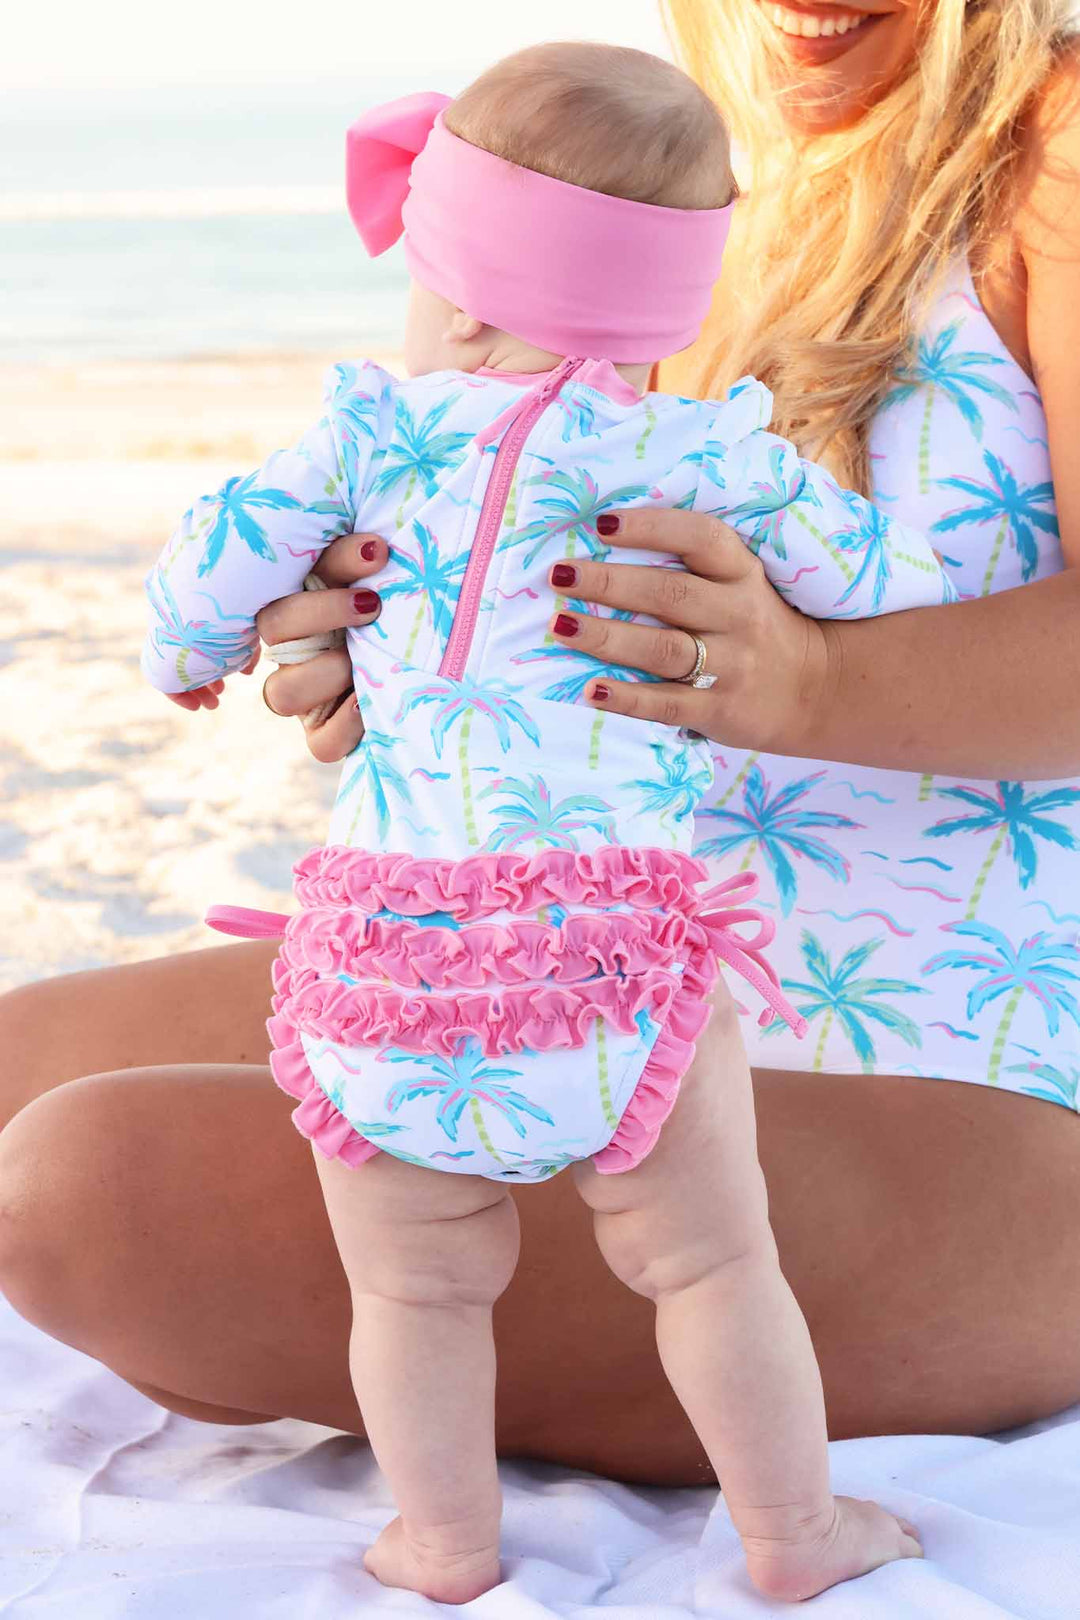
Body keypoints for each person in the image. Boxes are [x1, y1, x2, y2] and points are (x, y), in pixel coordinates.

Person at [2, 0, 1080, 1559]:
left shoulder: (1053, 144)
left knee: (74, 1192)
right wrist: (353, 640)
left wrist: (809, 679)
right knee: (13, 1066)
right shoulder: (674, 153)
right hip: (585, 934)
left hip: (955, 1065)